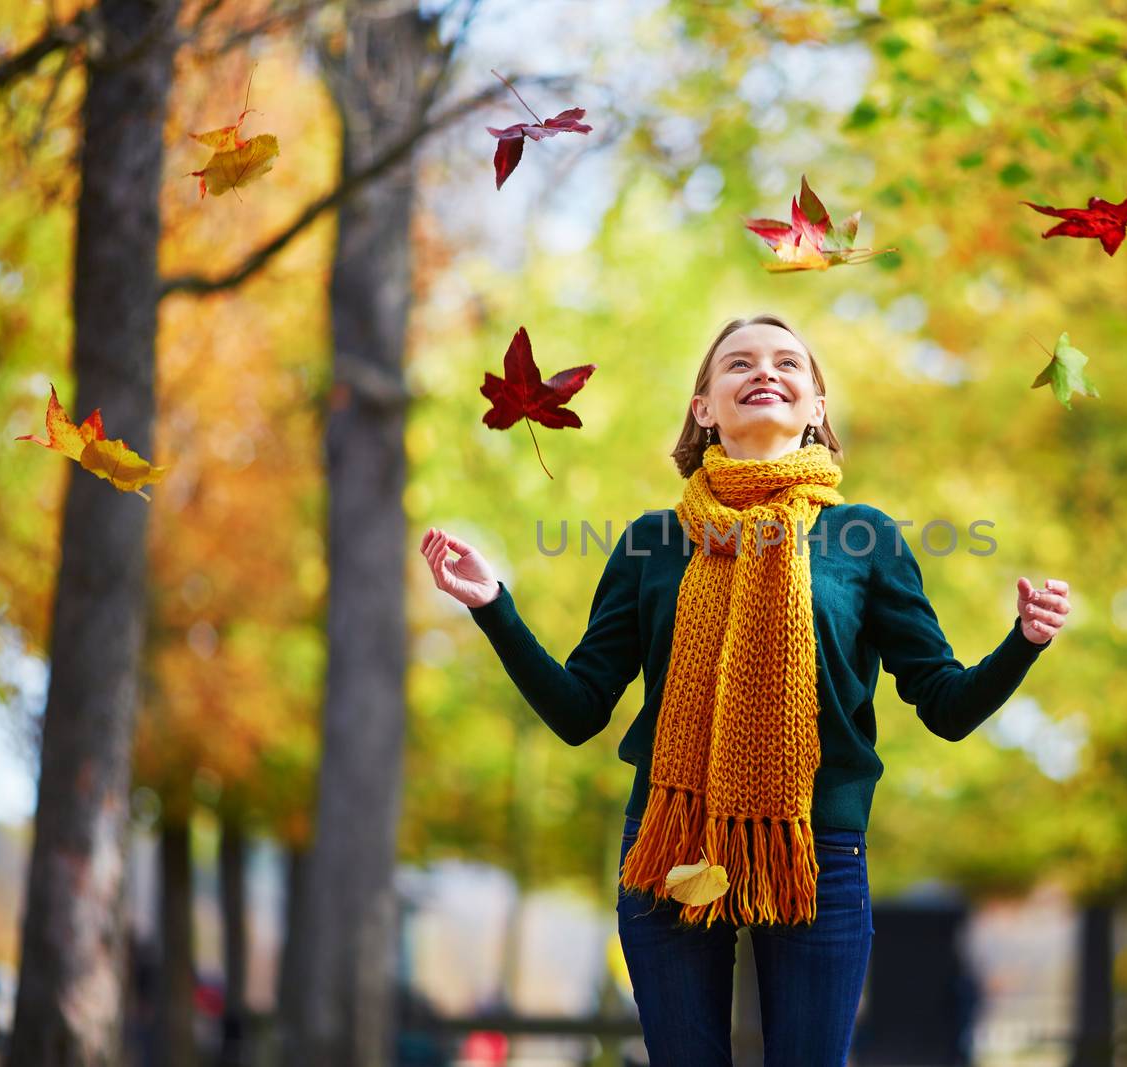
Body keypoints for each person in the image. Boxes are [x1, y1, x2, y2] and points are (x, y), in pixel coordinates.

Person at [421, 314, 1071, 1066]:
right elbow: (577, 710)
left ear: (817, 407)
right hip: (669, 850)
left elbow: (946, 705)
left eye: (788, 362)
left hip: (816, 851)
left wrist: (1023, 640)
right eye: (738, 363)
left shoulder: (865, 538)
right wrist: (491, 605)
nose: (764, 371)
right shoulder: (649, 543)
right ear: (704, 408)